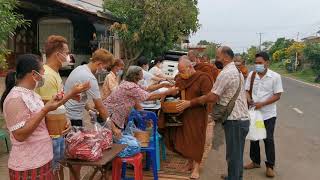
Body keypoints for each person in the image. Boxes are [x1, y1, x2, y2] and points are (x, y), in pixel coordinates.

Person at [0, 54, 88, 180]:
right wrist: (45, 110)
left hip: (44, 160)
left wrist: (64, 122)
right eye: (42, 70)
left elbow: (42, 118)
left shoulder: (32, 95)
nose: (44, 74)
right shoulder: (15, 99)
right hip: (28, 165)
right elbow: (19, 135)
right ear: (34, 74)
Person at [177, 46, 250, 180]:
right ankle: (234, 175)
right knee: (235, 153)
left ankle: (235, 177)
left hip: (235, 119)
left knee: (234, 154)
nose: (216, 59)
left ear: (226, 57)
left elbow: (212, 96)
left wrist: (190, 103)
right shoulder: (235, 70)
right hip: (238, 118)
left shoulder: (227, 73)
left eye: (218, 56)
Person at [159, 57, 213, 179]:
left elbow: (208, 97)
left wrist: (190, 103)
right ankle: (189, 163)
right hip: (181, 114)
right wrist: (172, 92)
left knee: (196, 140)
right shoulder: (180, 78)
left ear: (190, 67)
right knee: (183, 140)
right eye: (179, 71)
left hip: (197, 114)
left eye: (182, 71)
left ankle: (196, 168)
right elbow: (177, 91)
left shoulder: (203, 78)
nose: (181, 74)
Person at [244, 52, 283, 178]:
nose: (257, 65)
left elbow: (277, 95)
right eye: (256, 63)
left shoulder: (275, 77)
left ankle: (270, 166)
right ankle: (255, 161)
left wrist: (263, 103)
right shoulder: (252, 75)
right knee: (254, 137)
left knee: (268, 139)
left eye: (260, 63)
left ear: (267, 63)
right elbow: (246, 91)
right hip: (254, 113)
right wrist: (249, 99)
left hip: (268, 114)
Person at [103, 65, 178, 131]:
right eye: (141, 72)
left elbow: (147, 88)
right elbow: (148, 97)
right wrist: (168, 92)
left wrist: (162, 85)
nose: (143, 73)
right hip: (112, 115)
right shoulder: (130, 86)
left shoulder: (129, 83)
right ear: (136, 75)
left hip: (114, 114)